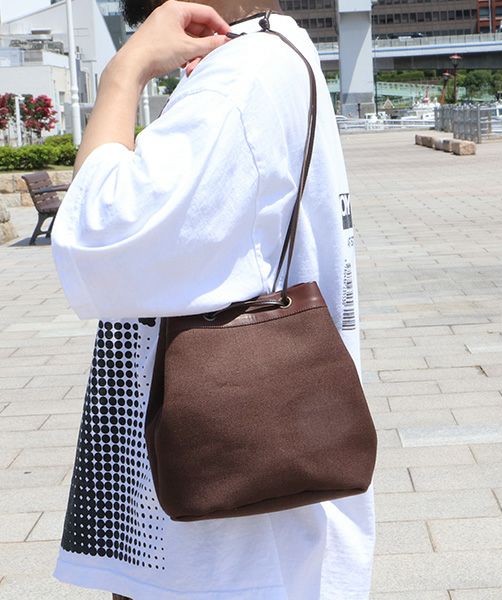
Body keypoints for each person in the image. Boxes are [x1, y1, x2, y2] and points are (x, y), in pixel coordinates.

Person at [51, 1, 375, 598]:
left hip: (217, 543)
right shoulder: (278, 50)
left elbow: (102, 229)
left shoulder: (240, 74)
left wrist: (123, 74)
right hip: (243, 509)